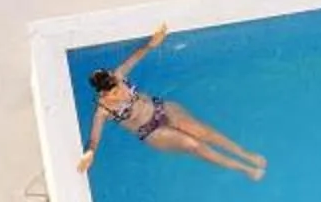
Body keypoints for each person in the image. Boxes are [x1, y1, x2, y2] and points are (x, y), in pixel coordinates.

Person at [76, 24, 264, 180]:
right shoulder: (103, 110)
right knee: (195, 146)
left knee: (204, 132)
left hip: (161, 108)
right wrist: (90, 153)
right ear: (103, 93)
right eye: (115, 92)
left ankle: (245, 154)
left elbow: (136, 56)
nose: (120, 92)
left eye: (118, 85)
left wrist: (152, 44)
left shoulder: (118, 75)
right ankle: (244, 169)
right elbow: (94, 138)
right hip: (151, 131)